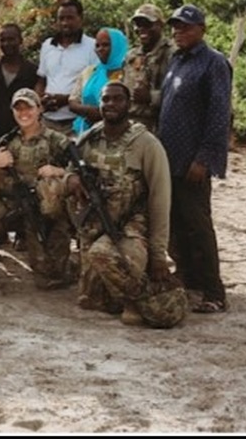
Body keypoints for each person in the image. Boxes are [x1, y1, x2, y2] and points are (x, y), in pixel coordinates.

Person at [66, 81, 180, 327]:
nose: (111, 104)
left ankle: (141, 298)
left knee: (102, 255)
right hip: (96, 224)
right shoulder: (91, 137)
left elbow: (160, 200)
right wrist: (72, 178)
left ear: (129, 104)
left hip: (132, 228)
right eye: (106, 99)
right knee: (90, 299)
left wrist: (159, 254)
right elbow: (70, 167)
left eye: (117, 99)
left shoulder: (146, 144)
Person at [0, 88, 70, 293]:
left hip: (42, 210)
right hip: (8, 203)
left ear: (39, 109)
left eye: (28, 107)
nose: (23, 113)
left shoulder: (56, 140)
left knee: (46, 278)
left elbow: (79, 170)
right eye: (18, 108)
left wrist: (58, 171)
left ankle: (59, 266)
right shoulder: (7, 140)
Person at [158, 4, 231, 314]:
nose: (179, 31)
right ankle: (188, 278)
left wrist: (203, 158)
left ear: (202, 29)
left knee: (198, 225)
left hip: (193, 162)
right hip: (169, 159)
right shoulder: (176, 60)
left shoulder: (213, 63)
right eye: (175, 26)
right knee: (175, 224)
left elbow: (219, 115)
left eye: (186, 27)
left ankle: (214, 292)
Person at [35, 0, 97, 136]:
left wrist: (67, 99)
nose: (65, 23)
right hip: (48, 121)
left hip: (76, 122)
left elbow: (93, 86)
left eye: (70, 18)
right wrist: (40, 100)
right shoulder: (47, 45)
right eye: (61, 18)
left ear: (80, 19)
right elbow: (41, 80)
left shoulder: (92, 47)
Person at [0, 23, 39, 152]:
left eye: (11, 39)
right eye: (3, 40)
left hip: (23, 130)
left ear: (20, 40)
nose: (6, 43)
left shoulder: (31, 71)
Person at [123, 3, 174, 133]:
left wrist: (151, 96)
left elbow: (180, 95)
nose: (141, 29)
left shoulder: (172, 54)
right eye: (138, 25)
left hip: (160, 125)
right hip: (131, 124)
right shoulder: (131, 55)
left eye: (147, 24)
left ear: (160, 25)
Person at [69, 27, 129, 135]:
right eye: (97, 45)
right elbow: (73, 101)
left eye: (105, 45)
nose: (100, 49)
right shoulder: (90, 71)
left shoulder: (129, 73)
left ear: (117, 46)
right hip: (85, 132)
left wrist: (102, 114)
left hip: (119, 133)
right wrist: (88, 111)